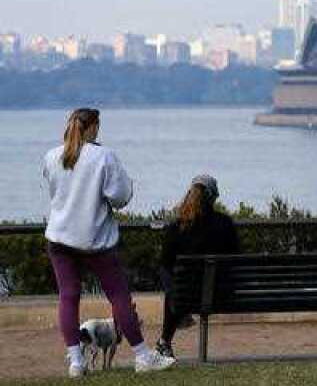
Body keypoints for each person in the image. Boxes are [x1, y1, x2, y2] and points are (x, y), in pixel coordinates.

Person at [42, 108, 176, 376]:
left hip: (59, 238)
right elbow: (120, 197)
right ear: (92, 127)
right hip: (95, 241)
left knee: (68, 297)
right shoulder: (104, 156)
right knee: (119, 296)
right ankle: (142, 356)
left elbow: (56, 192)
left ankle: (76, 362)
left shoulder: (52, 156)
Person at [155, 175, 240, 358]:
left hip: (187, 297)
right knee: (180, 290)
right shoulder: (225, 224)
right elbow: (237, 258)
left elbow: (164, 265)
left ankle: (164, 342)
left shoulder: (178, 227)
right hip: (222, 295)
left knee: (175, 290)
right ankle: (165, 339)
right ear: (213, 198)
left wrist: (173, 293)